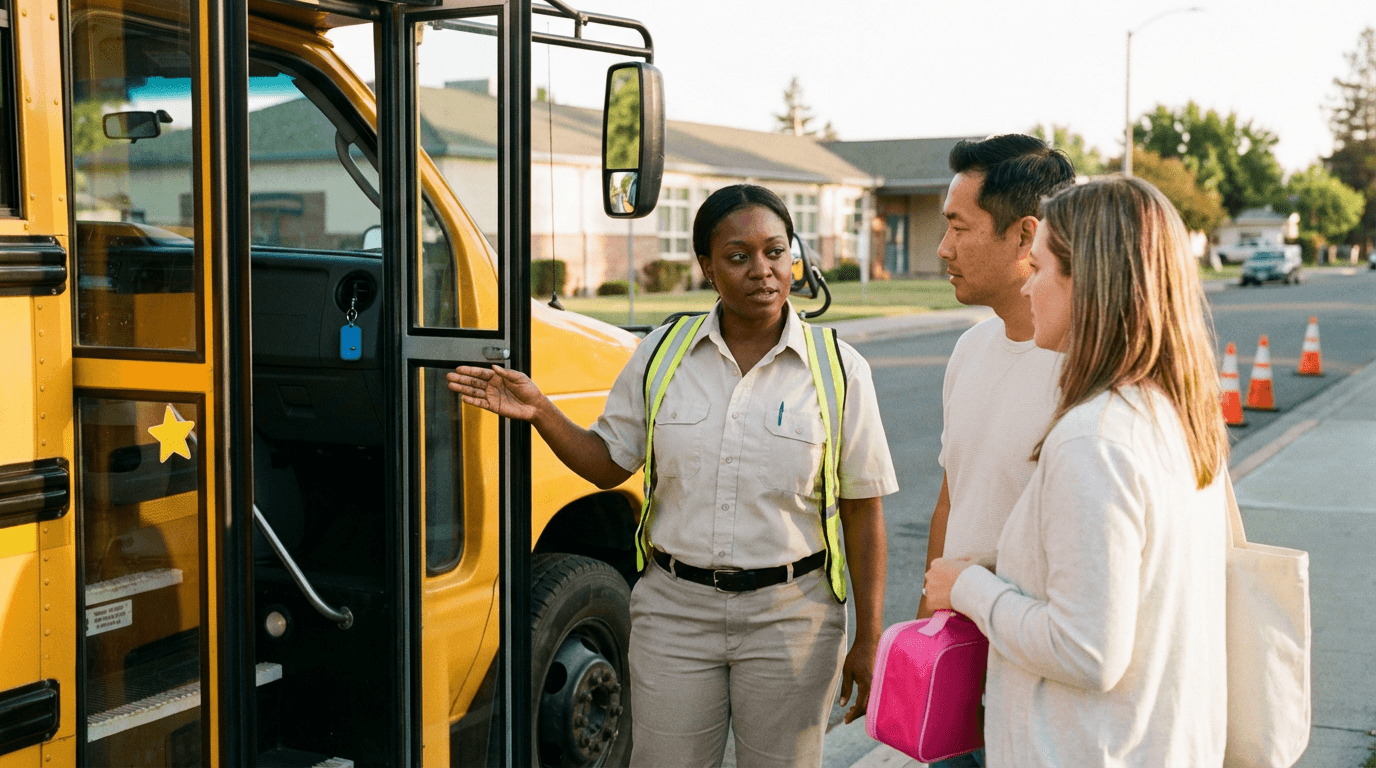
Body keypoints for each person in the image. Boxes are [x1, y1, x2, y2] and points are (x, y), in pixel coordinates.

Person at [447, 184, 897, 767]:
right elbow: (609, 463)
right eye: (738, 257)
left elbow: (863, 510)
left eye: (776, 252)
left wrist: (869, 636)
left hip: (792, 618)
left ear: (795, 259)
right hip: (675, 615)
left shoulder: (839, 368)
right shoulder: (663, 352)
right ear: (708, 268)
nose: (762, 271)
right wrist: (541, 411)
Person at [924, 176, 1230, 766]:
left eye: (1039, 270)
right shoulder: (1168, 412)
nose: (1030, 287)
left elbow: (1086, 648)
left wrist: (968, 588)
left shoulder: (1093, 439)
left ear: (1087, 282)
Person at [915, 133, 1074, 768]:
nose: (942, 248)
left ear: (1023, 236)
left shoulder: (1084, 375)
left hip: (1036, 674)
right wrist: (925, 628)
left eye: (958, 227)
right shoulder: (970, 349)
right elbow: (953, 497)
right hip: (958, 653)